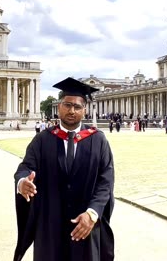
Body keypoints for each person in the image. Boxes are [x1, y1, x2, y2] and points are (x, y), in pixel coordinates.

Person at [14, 77, 115, 261]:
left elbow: (105, 181)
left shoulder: (98, 140)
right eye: (67, 105)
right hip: (50, 226)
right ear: (59, 106)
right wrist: (22, 183)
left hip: (84, 226)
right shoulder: (43, 140)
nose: (72, 110)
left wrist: (92, 214)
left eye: (77, 107)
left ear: (84, 110)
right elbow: (25, 167)